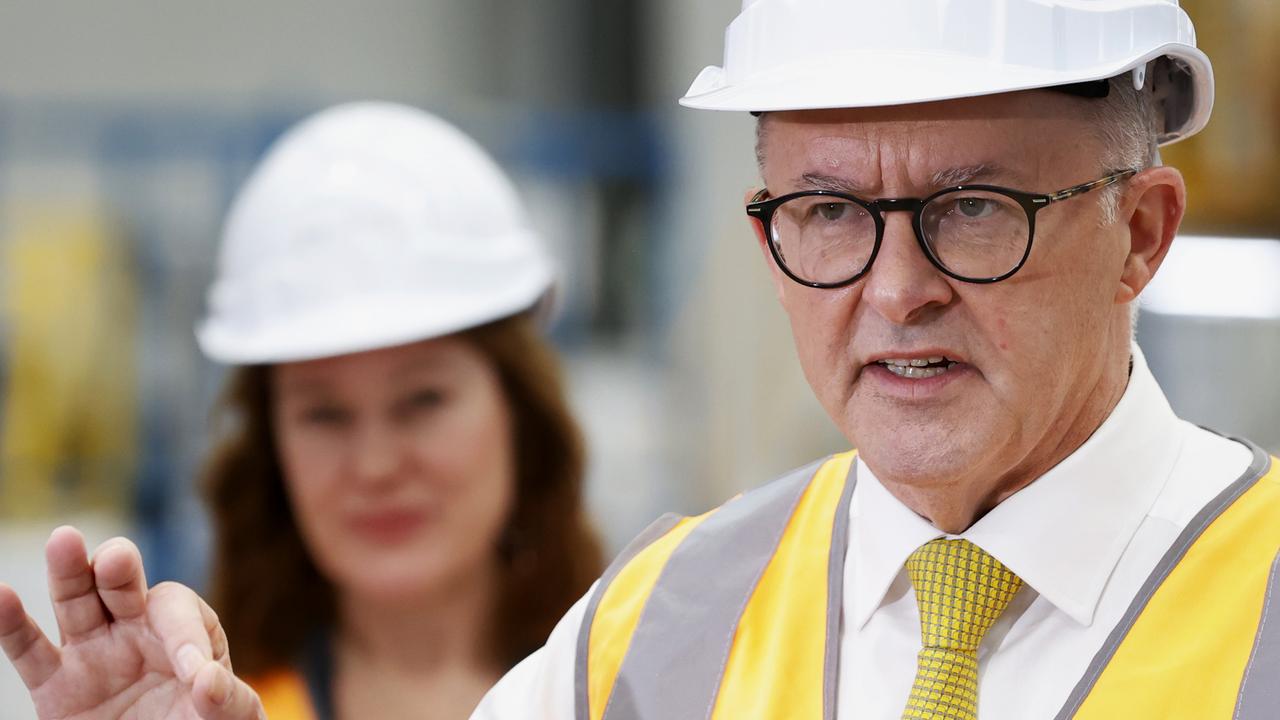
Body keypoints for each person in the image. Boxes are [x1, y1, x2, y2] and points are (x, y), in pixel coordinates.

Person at [1, 1, 1276, 719]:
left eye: (974, 209)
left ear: (1140, 234)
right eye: (827, 211)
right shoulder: (655, 630)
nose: (897, 292)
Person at [0, 102, 603, 720]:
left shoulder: (638, 680)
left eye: (423, 400)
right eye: (325, 415)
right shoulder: (208, 706)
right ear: (271, 449)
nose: (375, 465)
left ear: (520, 411)